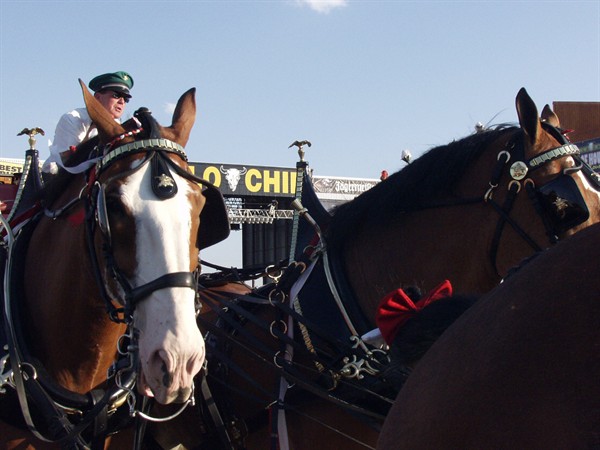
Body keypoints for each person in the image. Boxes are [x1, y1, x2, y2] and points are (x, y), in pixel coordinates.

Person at [43, 71, 134, 174]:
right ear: (97, 98)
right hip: (58, 180)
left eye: (126, 99)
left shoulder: (121, 127)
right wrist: (93, 130)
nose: (122, 102)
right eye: (116, 95)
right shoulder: (72, 118)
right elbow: (68, 162)